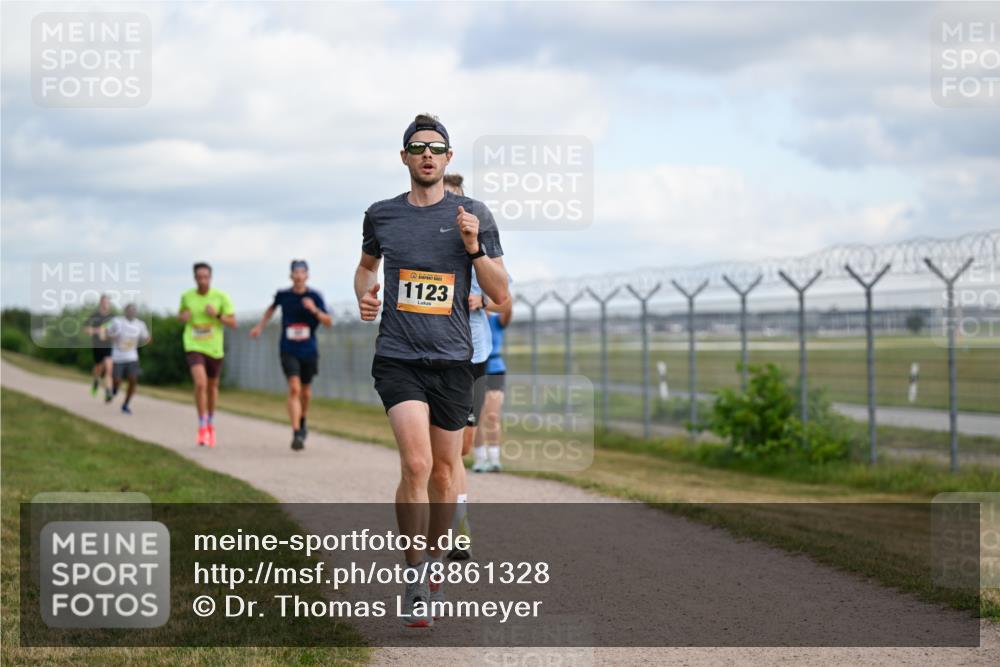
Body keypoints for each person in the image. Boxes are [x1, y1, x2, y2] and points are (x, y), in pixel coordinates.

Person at [355, 114, 509, 627]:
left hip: (451, 362)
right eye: (417, 147)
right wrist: (364, 294)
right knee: (417, 466)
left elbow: (501, 292)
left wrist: (473, 246)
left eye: (436, 148)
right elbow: (365, 268)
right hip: (398, 357)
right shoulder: (381, 215)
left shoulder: (474, 214)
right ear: (404, 157)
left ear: (448, 158)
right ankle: (415, 575)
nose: (427, 154)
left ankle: (438, 557)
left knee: (446, 473)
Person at [442, 173, 487, 562]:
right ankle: (457, 527)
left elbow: (504, 294)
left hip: (474, 355)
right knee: (443, 453)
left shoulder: (480, 245)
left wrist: (482, 300)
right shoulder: (428, 250)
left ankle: (455, 516)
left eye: (457, 203)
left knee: (461, 449)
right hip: (437, 358)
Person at [250, 259, 332, 451]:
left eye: (302, 272)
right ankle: (296, 432)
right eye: (295, 272)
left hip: (309, 350)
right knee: (294, 388)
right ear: (291, 275)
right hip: (288, 349)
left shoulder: (315, 296)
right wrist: (259, 327)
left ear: (307, 275)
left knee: (305, 391)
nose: (298, 275)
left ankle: (302, 420)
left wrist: (314, 309)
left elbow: (328, 321)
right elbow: (271, 309)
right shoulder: (283, 295)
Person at [178, 262, 236, 447]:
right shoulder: (187, 297)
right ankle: (202, 425)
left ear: (210, 277)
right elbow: (181, 316)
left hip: (214, 348)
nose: (202, 280)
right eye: (199, 277)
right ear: (195, 278)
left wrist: (217, 315)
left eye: (205, 276)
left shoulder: (220, 297)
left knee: (212, 387)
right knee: (201, 383)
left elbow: (233, 323)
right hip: (193, 345)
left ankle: (210, 421)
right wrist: (183, 317)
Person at [474, 304, 513, 472]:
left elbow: (507, 308)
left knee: (492, 415)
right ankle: (480, 458)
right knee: (477, 417)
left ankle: (495, 459)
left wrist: (503, 297)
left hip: (495, 370)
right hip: (475, 370)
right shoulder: (473, 323)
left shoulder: (498, 321)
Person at [105, 304, 152, 414]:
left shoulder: (140, 324)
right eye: (129, 310)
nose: (132, 312)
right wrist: (111, 336)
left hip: (132, 357)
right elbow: (106, 332)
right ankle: (114, 390)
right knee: (117, 381)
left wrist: (148, 340)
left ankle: (126, 404)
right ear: (125, 311)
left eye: (134, 311)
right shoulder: (116, 321)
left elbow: (146, 337)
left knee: (133, 380)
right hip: (117, 357)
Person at [83, 294, 114, 401]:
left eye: (108, 302)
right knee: (98, 369)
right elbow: (85, 329)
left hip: (108, 346)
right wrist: (96, 330)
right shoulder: (95, 316)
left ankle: (108, 391)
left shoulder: (112, 317)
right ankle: (96, 381)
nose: (106, 304)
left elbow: (116, 331)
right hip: (97, 346)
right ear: (101, 303)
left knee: (109, 369)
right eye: (104, 302)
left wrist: (109, 334)